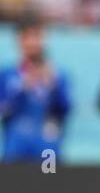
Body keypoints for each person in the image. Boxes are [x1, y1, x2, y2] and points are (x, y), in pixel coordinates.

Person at [0, 20, 70, 161]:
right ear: (19, 40)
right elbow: (4, 109)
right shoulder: (7, 75)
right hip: (15, 149)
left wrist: (52, 85)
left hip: (47, 150)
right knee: (14, 183)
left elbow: (65, 109)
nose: (33, 42)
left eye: (37, 36)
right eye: (27, 37)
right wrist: (22, 87)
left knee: (49, 182)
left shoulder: (58, 75)